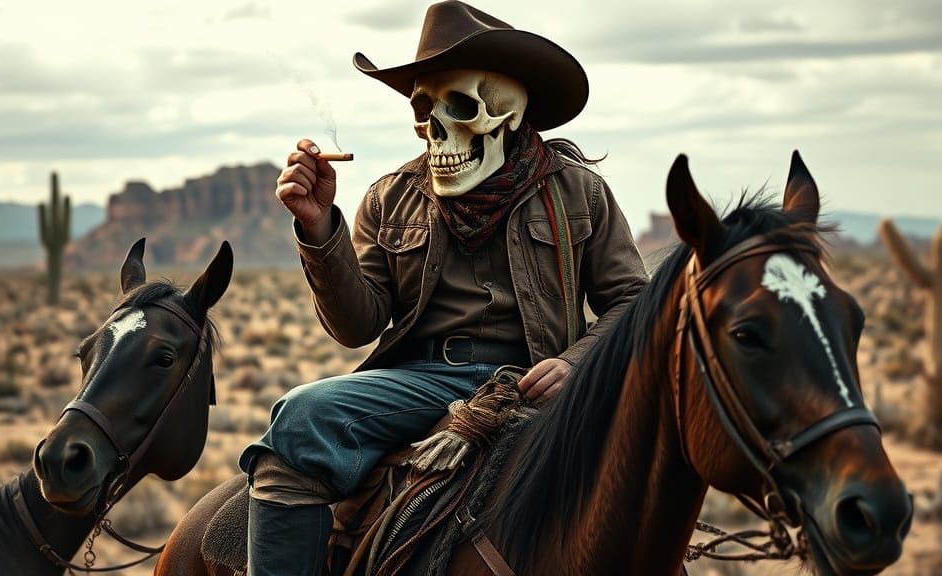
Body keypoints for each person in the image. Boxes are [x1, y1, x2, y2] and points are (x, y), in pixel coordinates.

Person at [239, 2, 648, 574]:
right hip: (421, 382)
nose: (437, 129)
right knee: (300, 418)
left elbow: (632, 302)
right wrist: (318, 226)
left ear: (507, 113)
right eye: (424, 109)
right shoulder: (390, 197)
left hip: (537, 382)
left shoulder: (578, 192)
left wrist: (578, 363)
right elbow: (356, 325)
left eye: (461, 108)